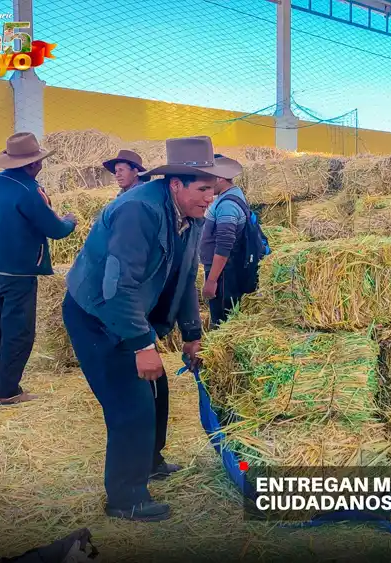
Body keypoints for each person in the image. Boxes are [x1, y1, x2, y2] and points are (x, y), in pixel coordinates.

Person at [61, 136, 235, 522]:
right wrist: (142, 344)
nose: (210, 198)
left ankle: (150, 461)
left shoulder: (189, 217)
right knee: (130, 403)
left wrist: (192, 335)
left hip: (129, 308)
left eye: (214, 189)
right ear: (176, 183)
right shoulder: (138, 210)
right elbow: (117, 284)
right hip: (98, 313)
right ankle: (126, 498)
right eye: (203, 189)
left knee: (157, 387)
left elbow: (186, 276)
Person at [0, 132, 78, 405]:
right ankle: (8, 391)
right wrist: (70, 221)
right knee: (18, 332)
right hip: (20, 274)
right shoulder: (29, 191)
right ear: (32, 164)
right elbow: (54, 230)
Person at [198, 154, 252, 328]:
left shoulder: (227, 205)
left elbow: (224, 246)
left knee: (222, 320)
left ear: (219, 178)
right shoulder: (229, 196)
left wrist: (211, 281)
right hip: (223, 271)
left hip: (223, 273)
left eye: (209, 178)